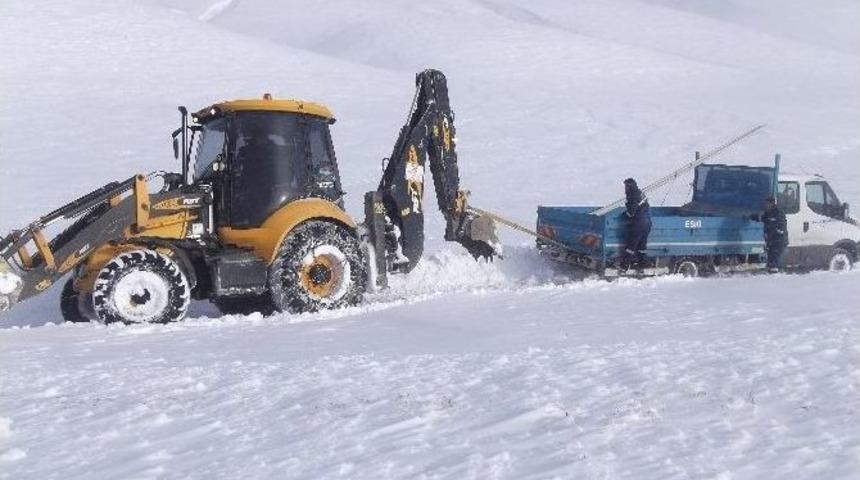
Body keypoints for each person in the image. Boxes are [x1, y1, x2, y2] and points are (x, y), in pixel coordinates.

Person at [750, 196, 788, 273]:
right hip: (771, 240)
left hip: (779, 240)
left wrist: (767, 221)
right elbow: (762, 218)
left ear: (772, 204)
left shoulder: (778, 213)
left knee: (774, 258)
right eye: (765, 204)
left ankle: (773, 276)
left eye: (767, 204)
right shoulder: (768, 213)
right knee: (770, 258)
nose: (765, 206)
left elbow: (772, 221)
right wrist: (752, 217)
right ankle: (771, 270)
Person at [621, 178, 652, 269]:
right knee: (642, 245)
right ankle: (643, 263)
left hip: (639, 223)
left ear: (629, 186)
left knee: (632, 244)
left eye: (626, 186)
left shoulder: (633, 195)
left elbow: (631, 212)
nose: (625, 188)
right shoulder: (640, 193)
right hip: (647, 223)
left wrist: (624, 215)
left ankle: (625, 265)